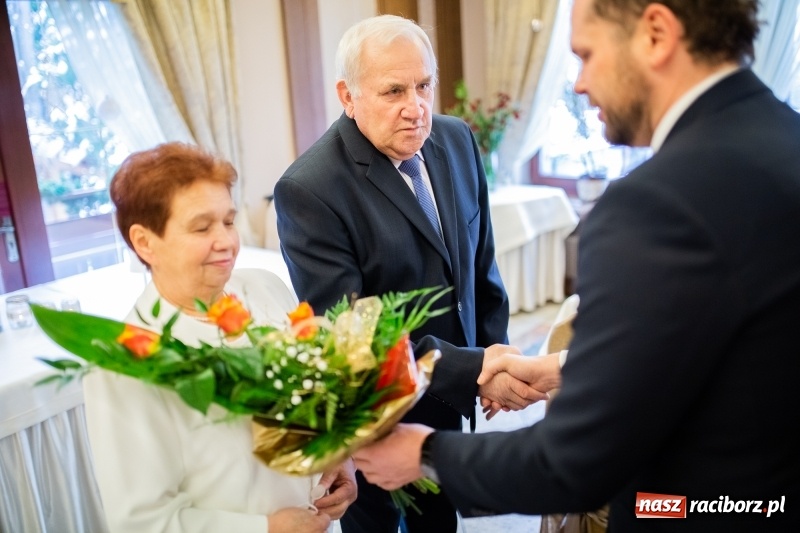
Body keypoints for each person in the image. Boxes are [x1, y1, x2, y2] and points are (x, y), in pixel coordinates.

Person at [352, 0, 800, 531]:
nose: (580, 83)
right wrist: (566, 368)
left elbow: (574, 464)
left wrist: (427, 454)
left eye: (585, 55)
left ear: (656, 34)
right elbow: (724, 344)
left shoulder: (652, 207)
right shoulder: (786, 136)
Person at [273, 14, 547, 533]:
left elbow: (480, 265)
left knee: (441, 523)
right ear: (348, 97)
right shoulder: (309, 190)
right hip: (377, 416)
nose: (415, 107)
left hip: (453, 397)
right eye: (394, 90)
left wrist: (497, 358)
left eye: (424, 85)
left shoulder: (456, 140)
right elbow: (356, 330)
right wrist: (477, 367)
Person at [83, 142, 357, 533]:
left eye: (228, 221)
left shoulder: (268, 288)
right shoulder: (125, 363)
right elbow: (142, 522)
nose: (227, 241)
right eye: (201, 227)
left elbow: (314, 399)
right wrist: (266, 529)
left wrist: (337, 457)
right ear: (144, 242)